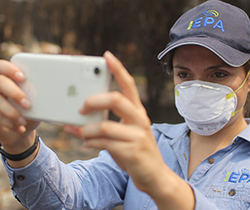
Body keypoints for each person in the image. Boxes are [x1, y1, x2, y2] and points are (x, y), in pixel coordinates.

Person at [1, 0, 250, 209]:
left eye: (218, 74)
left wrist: (161, 183)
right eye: (184, 74)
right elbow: (67, 197)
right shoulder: (147, 142)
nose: (198, 88)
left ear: (248, 81)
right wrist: (20, 145)